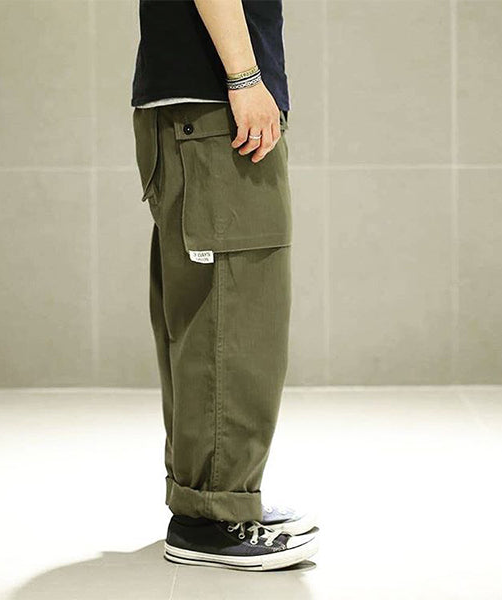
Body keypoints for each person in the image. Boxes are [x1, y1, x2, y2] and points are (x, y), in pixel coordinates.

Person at [130, 0, 319, 571]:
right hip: (214, 108)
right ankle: (211, 517)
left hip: (198, 111)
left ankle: (213, 499)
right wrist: (244, 77)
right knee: (235, 313)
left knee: (209, 311)